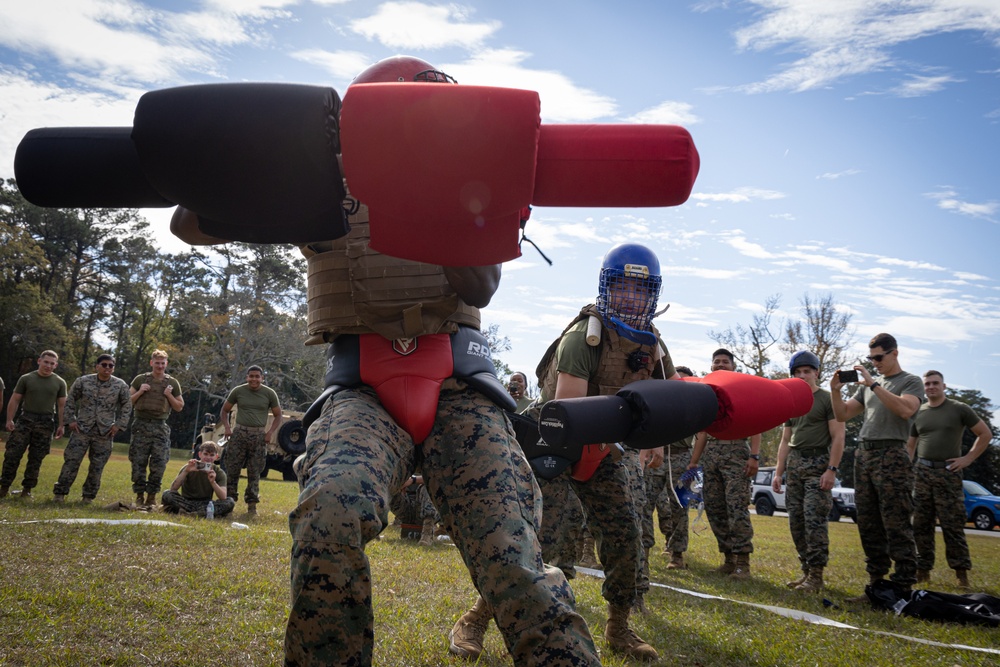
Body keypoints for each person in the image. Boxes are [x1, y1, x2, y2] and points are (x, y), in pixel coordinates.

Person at [168, 57, 601, 667]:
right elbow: (188, 222)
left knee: (514, 555)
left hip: (459, 386)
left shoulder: (465, 179)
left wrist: (443, 194)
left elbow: (478, 286)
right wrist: (268, 169)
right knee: (329, 517)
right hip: (361, 388)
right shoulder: (317, 186)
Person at [461, 242, 676, 661]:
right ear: (606, 289)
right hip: (558, 446)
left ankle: (619, 626)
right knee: (536, 544)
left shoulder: (653, 344)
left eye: (640, 289)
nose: (630, 297)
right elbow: (573, 410)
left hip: (608, 452)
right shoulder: (583, 337)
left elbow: (661, 400)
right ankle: (474, 619)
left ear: (652, 294)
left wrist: (655, 445)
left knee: (626, 536)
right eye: (623, 287)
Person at [831, 332, 924, 599]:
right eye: (871, 358)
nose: (875, 363)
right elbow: (843, 414)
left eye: (879, 357)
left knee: (896, 522)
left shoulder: (910, 381)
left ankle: (903, 587)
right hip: (865, 455)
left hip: (892, 455)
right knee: (869, 522)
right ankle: (876, 585)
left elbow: (907, 410)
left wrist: (873, 385)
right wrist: (835, 391)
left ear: (895, 353)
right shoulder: (871, 384)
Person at [906, 370, 991, 589]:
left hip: (949, 473)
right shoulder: (919, 411)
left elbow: (985, 434)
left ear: (944, 386)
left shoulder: (959, 409)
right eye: (927, 384)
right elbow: (911, 443)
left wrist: (968, 459)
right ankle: (922, 571)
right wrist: (908, 468)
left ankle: (961, 575)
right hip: (922, 473)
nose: (931, 387)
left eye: (935, 383)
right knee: (920, 525)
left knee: (952, 525)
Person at [773, 351, 845, 592]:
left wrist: (831, 470)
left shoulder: (827, 398)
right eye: (798, 372)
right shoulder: (792, 400)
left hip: (818, 465)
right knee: (797, 521)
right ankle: (806, 572)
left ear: (816, 372)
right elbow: (785, 439)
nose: (802, 376)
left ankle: (817, 575)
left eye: (807, 371)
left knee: (814, 520)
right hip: (795, 466)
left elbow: (838, 436)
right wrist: (778, 472)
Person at [688, 349, 761, 578]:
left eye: (725, 362)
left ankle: (743, 563)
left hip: (736, 453)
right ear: (711, 367)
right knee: (715, 507)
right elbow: (702, 432)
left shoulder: (742, 389)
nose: (720, 365)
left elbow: (756, 423)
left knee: (736, 508)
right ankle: (728, 560)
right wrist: (694, 462)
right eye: (716, 362)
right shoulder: (707, 392)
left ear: (733, 367)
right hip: (712, 454)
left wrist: (754, 456)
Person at [53, 354, 132, 503]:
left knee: (97, 466)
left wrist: (118, 425)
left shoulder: (120, 385)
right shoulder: (83, 381)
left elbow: (127, 406)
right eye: (104, 365)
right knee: (71, 461)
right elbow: (69, 401)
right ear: (97, 366)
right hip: (81, 429)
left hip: (105, 431)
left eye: (111, 365)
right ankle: (60, 494)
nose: (107, 368)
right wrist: (70, 420)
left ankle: (88, 497)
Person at [640, 365, 695, 570]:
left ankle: (677, 554)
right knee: (645, 503)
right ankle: (643, 551)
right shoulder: (659, 402)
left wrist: (694, 462)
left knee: (680, 507)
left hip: (681, 458)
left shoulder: (693, 405)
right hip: (656, 458)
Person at [1, 350, 67, 498]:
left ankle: (27, 490)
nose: (48, 366)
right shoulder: (26, 378)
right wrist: (9, 419)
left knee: (36, 458)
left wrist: (62, 425)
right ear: (39, 361)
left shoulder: (59, 382)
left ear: (55, 365)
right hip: (25, 420)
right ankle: (4, 487)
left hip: (45, 422)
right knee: (12, 454)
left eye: (52, 363)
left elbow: (62, 405)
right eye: (46, 362)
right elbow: (15, 399)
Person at [220, 365, 282, 515]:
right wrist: (227, 428)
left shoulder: (269, 393)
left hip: (259, 436)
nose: (254, 379)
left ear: (262, 378)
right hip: (239, 434)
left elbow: (278, 415)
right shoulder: (238, 391)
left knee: (254, 472)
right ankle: (230, 503)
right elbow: (225, 410)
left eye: (257, 376)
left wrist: (270, 433)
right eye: (251, 376)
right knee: (232, 469)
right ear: (247, 377)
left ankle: (252, 506)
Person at [129, 349, 184, 507]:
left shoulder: (172, 383)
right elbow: (127, 400)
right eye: (157, 363)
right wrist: (140, 391)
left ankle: (151, 498)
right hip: (141, 425)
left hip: (160, 427)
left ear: (166, 364)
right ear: (151, 363)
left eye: (163, 363)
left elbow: (179, 406)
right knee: (138, 462)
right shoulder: (141, 379)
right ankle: (139, 496)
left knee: (159, 463)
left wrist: (169, 395)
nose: (160, 366)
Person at [161, 440, 235, 518]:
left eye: (211, 455)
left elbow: (223, 497)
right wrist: (186, 471)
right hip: (186, 501)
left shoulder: (219, 472)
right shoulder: (189, 467)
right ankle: (200, 513)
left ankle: (189, 512)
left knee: (229, 502)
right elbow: (173, 488)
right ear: (200, 454)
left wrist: (213, 482)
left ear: (216, 457)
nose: (208, 458)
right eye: (205, 454)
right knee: (167, 494)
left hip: (205, 503)